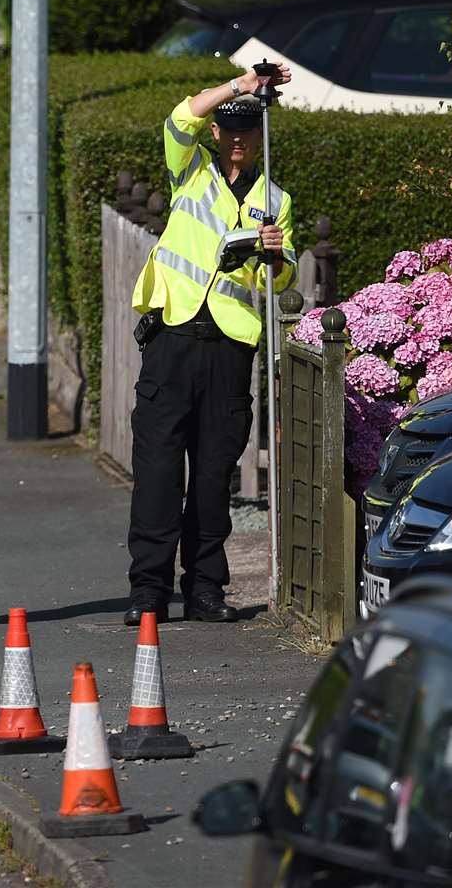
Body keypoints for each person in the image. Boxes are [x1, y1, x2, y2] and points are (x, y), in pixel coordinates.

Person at [125, 63, 296, 626]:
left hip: (228, 348)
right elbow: (180, 117)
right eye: (231, 127)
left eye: (249, 127)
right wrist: (241, 86)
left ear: (260, 136)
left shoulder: (275, 200)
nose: (240, 136)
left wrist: (273, 252)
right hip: (173, 336)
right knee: (157, 471)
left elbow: (284, 277)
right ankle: (148, 592)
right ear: (218, 134)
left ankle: (204, 589)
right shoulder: (191, 172)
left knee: (213, 473)